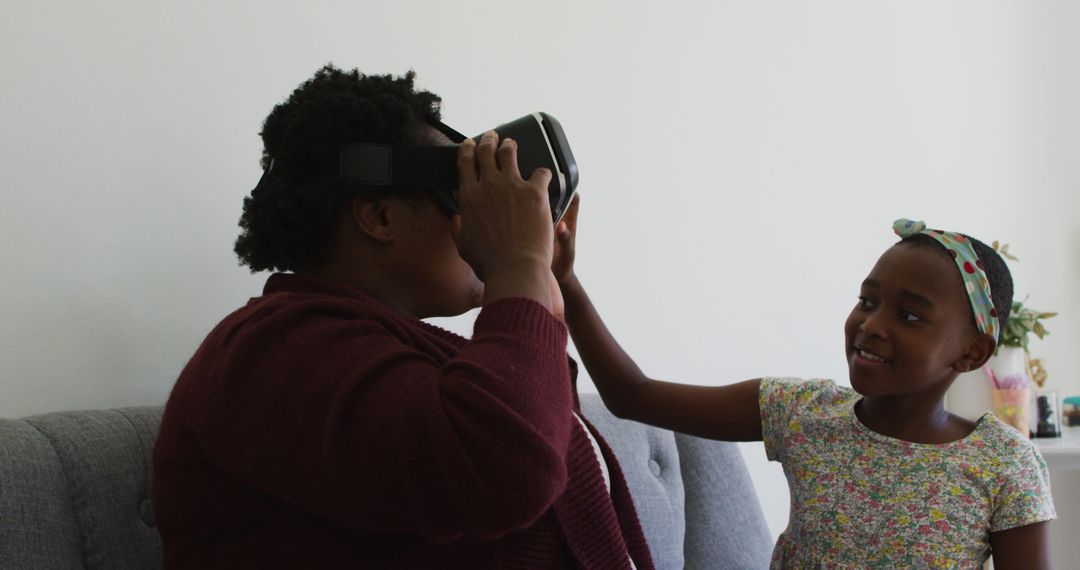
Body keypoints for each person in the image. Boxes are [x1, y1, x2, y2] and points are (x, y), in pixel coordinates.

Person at [152, 65, 653, 570]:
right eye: (460, 194)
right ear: (379, 216)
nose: (477, 219)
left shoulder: (404, 350)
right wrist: (516, 267)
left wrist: (538, 286)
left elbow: (544, 428)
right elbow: (507, 471)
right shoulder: (263, 351)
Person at [556, 216, 1056, 569]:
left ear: (971, 353)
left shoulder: (1004, 464)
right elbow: (633, 396)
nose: (871, 324)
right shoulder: (802, 412)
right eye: (867, 300)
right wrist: (567, 283)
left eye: (908, 315)